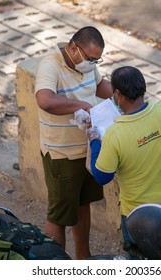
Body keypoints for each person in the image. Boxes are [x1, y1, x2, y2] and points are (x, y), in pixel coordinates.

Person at [87, 66, 161, 260]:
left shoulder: (115, 134)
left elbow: (102, 176)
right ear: (143, 87)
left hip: (139, 215)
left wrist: (94, 141)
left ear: (117, 94)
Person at [34, 26, 112, 259]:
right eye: (90, 59)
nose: (92, 64)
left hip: (87, 150)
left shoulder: (88, 67)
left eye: (97, 60)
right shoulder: (50, 65)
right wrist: (81, 105)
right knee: (58, 216)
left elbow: (100, 86)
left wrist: (126, 95)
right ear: (72, 48)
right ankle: (55, 265)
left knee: (82, 204)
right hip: (62, 155)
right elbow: (45, 100)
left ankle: (82, 258)